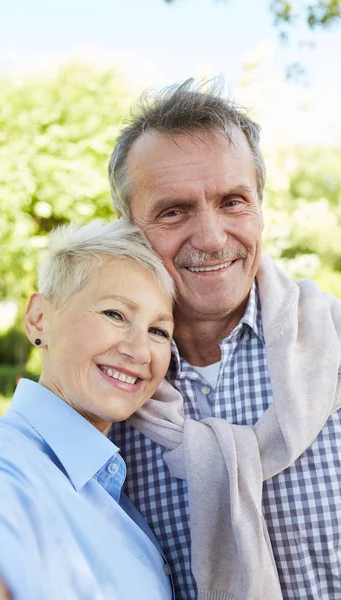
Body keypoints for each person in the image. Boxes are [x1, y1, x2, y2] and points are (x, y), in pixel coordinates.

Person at [108, 79, 341, 599]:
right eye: (174, 211)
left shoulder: (337, 348)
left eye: (233, 201)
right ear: (127, 228)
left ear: (260, 207)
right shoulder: (104, 393)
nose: (212, 238)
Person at [0, 219, 176, 600]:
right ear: (39, 319)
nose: (140, 350)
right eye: (115, 314)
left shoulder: (115, 487)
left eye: (159, 331)